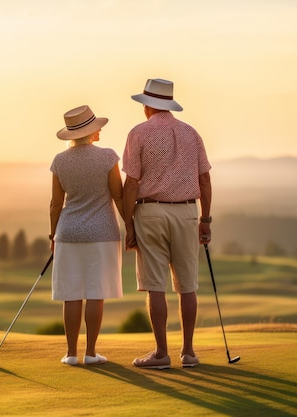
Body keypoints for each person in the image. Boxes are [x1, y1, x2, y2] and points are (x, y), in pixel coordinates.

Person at [122, 78, 212, 369]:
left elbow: (132, 183)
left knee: (155, 285)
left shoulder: (138, 133)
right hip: (187, 212)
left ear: (148, 106)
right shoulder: (191, 133)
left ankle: (161, 354)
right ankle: (188, 353)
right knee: (187, 286)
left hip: (149, 212)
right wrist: (206, 219)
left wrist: (128, 224)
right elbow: (205, 179)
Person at [49, 104, 124, 366]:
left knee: (71, 293)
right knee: (95, 292)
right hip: (102, 232)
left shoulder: (60, 161)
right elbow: (118, 195)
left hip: (68, 233)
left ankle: (71, 354)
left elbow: (56, 204)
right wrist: (132, 226)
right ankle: (91, 353)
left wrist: (52, 236)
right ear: (91, 131)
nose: (100, 129)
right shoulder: (108, 157)